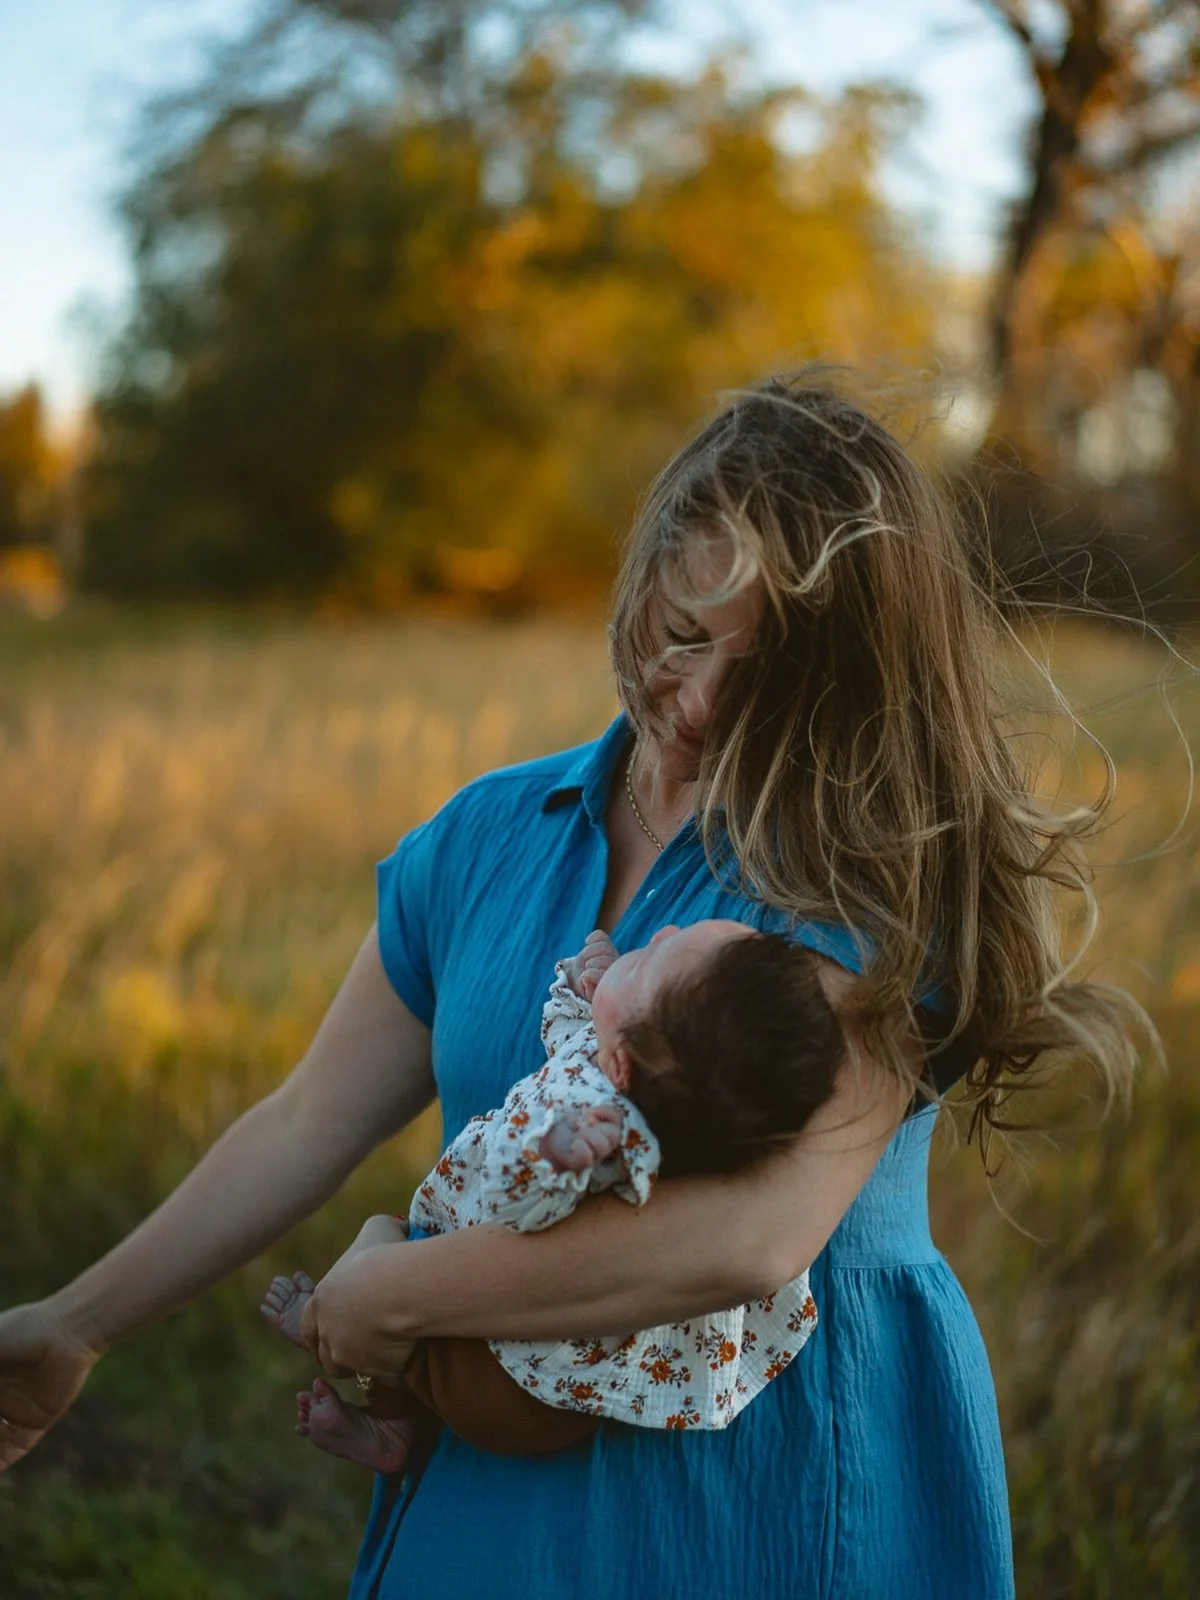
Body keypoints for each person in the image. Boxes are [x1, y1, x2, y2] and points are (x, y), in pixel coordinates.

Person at [0, 373, 1139, 1600]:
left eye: (758, 677)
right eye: (683, 637)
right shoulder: (488, 834)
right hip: (500, 1461)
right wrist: (77, 1322)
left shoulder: (869, 868)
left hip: (776, 1481)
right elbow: (306, 1119)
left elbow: (754, 1236)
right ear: (646, 572)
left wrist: (397, 1288)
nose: (695, 704)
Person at [261, 921, 843, 1472]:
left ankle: (383, 1411)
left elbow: (517, 1199)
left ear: (620, 1064)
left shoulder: (601, 1130)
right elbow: (568, 1032)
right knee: (397, 1247)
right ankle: (378, 1391)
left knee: (396, 1249)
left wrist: (555, 1153)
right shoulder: (674, 1100)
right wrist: (598, 987)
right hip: (544, 1371)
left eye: (655, 959)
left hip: (505, 1383)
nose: (664, 931)